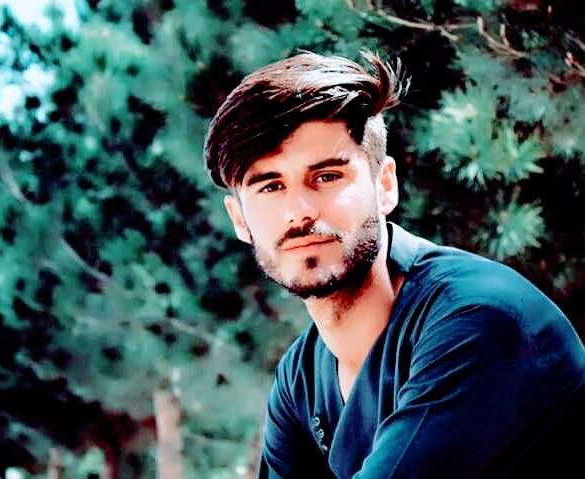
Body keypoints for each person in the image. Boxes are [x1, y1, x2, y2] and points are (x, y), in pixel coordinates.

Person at [203, 51, 585, 478]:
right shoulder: (301, 377)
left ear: (384, 185)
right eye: (271, 187)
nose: (299, 212)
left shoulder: (479, 316)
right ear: (240, 221)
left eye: (327, 177)